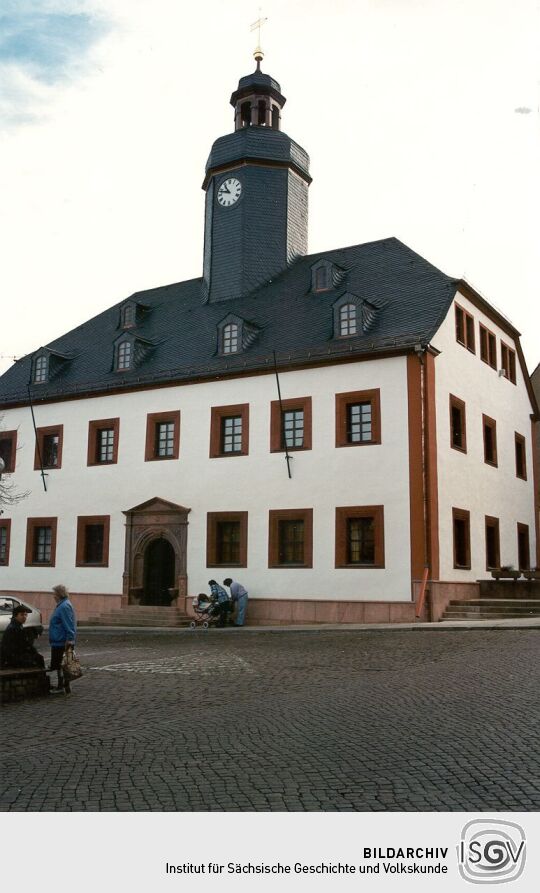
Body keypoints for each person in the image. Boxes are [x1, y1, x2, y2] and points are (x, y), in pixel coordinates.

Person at [49, 584, 77, 694]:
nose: (53, 597)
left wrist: (69, 639)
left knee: (61, 665)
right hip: (58, 641)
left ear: (59, 594)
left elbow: (68, 624)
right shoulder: (62, 605)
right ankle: (64, 685)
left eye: (54, 594)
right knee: (61, 665)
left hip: (61, 642)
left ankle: (62, 686)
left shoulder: (64, 606)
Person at [0, 604, 45, 668]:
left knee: (38, 657)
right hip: (11, 659)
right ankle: (40, 677)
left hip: (13, 656)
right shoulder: (14, 628)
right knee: (38, 660)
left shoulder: (17, 625)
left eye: (25, 615)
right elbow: (23, 645)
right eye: (21, 614)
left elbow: (25, 645)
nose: (24, 617)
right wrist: (33, 653)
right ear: (16, 616)